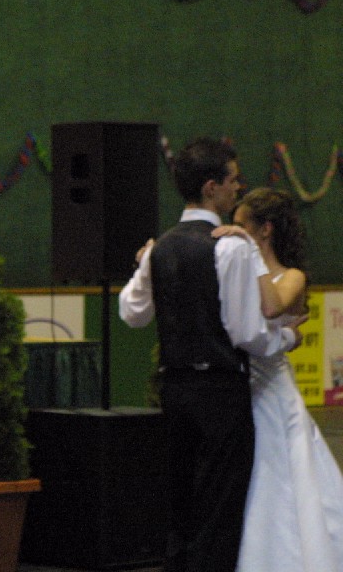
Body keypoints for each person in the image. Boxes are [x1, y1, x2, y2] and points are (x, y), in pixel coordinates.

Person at [119, 137, 304, 572]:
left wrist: (148, 266)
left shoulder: (160, 247)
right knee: (219, 509)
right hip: (220, 390)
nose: (238, 188)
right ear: (211, 187)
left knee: (180, 504)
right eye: (233, 180)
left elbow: (132, 313)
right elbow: (248, 334)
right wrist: (287, 338)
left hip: (172, 387)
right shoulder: (232, 246)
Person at [213, 187, 343, 572]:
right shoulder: (240, 268)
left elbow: (270, 307)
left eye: (242, 225)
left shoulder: (293, 276)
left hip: (271, 388)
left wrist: (248, 253)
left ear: (264, 230)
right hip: (239, 384)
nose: (234, 231)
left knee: (280, 473)